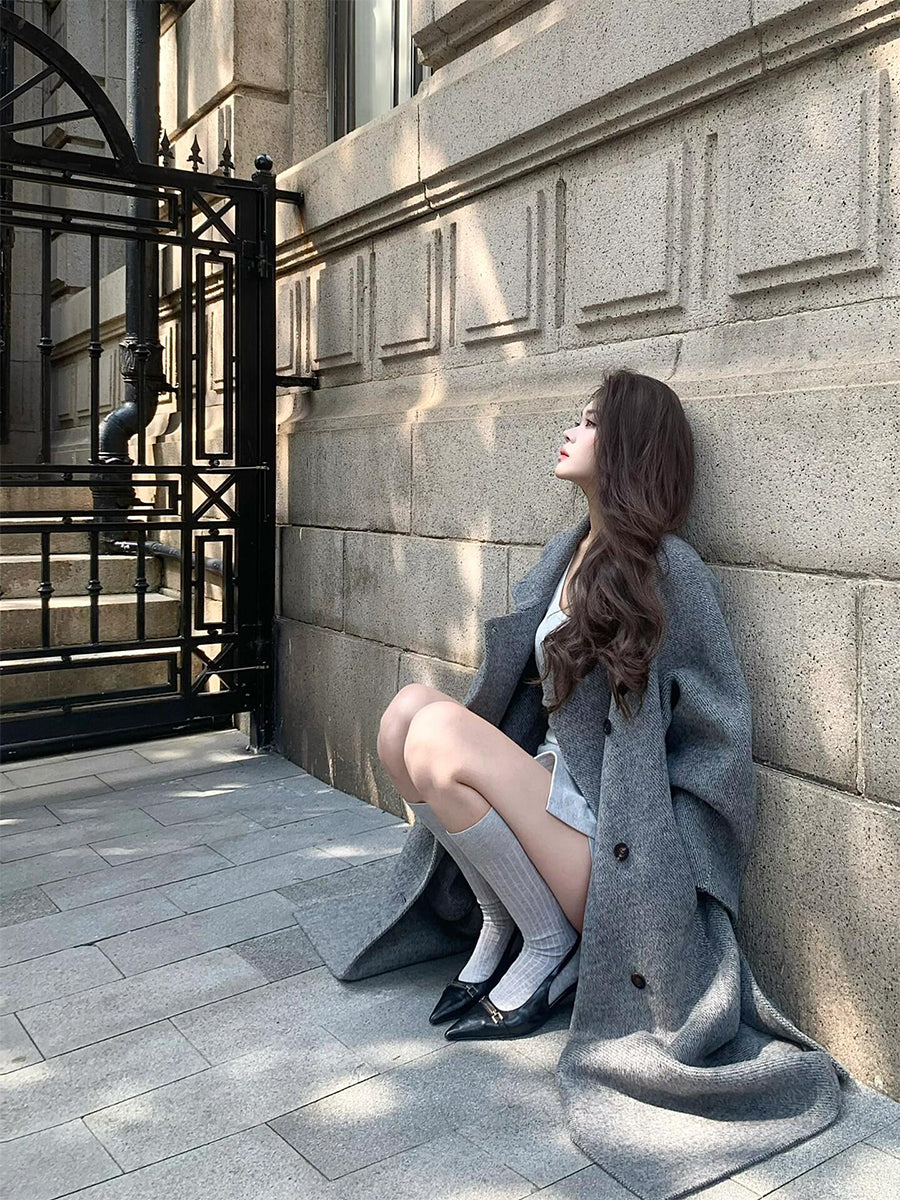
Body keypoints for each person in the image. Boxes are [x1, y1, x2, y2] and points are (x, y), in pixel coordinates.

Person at [296, 365, 849, 1198]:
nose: (569, 429)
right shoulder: (567, 553)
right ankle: (506, 923)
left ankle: (553, 945)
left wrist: (684, 874)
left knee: (436, 731)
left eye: (589, 421)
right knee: (404, 714)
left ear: (627, 446)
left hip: (622, 857)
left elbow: (721, 743)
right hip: (558, 804)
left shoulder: (671, 570)